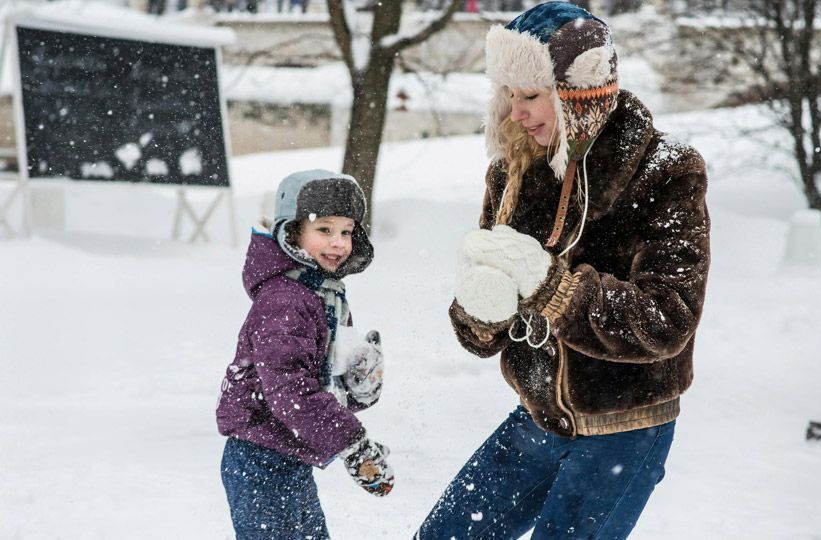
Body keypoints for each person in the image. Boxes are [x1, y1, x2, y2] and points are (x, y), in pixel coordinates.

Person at [416, 2, 710, 539]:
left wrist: (553, 289)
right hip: (538, 414)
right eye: (507, 95)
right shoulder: (515, 167)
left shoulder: (666, 172)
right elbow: (485, 333)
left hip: (627, 428)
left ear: (582, 92)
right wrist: (481, 310)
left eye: (530, 96)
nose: (514, 114)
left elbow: (668, 319)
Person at [216, 170, 393, 539]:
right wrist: (352, 443)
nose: (338, 243)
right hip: (258, 460)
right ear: (292, 232)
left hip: (291, 455)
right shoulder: (285, 301)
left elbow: (319, 387)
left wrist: (356, 387)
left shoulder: (324, 294)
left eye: (346, 231)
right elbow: (290, 393)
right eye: (324, 230)